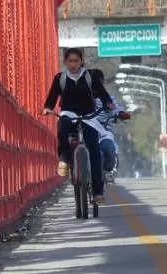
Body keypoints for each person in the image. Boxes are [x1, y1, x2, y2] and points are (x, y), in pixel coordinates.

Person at [42, 48, 115, 205]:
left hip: (89, 116)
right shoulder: (60, 78)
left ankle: (97, 192)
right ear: (65, 62)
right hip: (69, 114)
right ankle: (64, 159)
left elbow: (102, 94)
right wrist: (47, 108)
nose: (73, 64)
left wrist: (108, 103)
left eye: (76, 61)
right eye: (70, 61)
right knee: (62, 127)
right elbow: (52, 97)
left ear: (81, 61)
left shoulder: (90, 76)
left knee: (95, 151)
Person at [88, 68, 121, 180]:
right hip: (84, 131)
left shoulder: (109, 98)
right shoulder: (79, 97)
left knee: (108, 147)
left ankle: (107, 171)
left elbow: (117, 109)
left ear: (102, 82)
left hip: (103, 131)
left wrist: (120, 113)